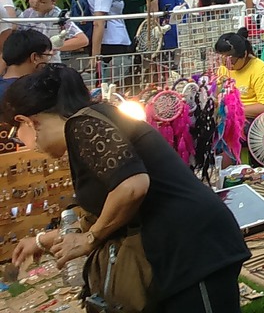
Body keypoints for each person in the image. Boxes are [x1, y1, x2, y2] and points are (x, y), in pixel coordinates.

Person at [6, 64, 251, 312]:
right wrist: (45, 239)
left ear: (27, 121)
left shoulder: (83, 125)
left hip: (194, 250)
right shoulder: (92, 124)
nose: (25, 145)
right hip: (179, 251)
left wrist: (90, 239)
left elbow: (133, 185)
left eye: (18, 135)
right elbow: (110, 210)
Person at [88, 0, 136, 82]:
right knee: (111, 87)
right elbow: (99, 22)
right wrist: (95, 56)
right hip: (110, 44)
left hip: (115, 41)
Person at [17, 0, 87, 63]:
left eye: (42, 2)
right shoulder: (27, 13)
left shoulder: (59, 17)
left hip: (50, 63)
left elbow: (82, 40)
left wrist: (52, 46)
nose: (35, 3)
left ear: (54, 1)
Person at [215, 29, 264, 119]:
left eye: (231, 61)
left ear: (244, 54)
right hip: (227, 115)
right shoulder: (224, 69)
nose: (227, 65)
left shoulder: (261, 71)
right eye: (223, 60)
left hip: (251, 119)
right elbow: (218, 94)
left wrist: (234, 110)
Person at [0, 30, 52, 101]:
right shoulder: (30, 93)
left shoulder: (3, 86)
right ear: (34, 57)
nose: (48, 61)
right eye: (47, 56)